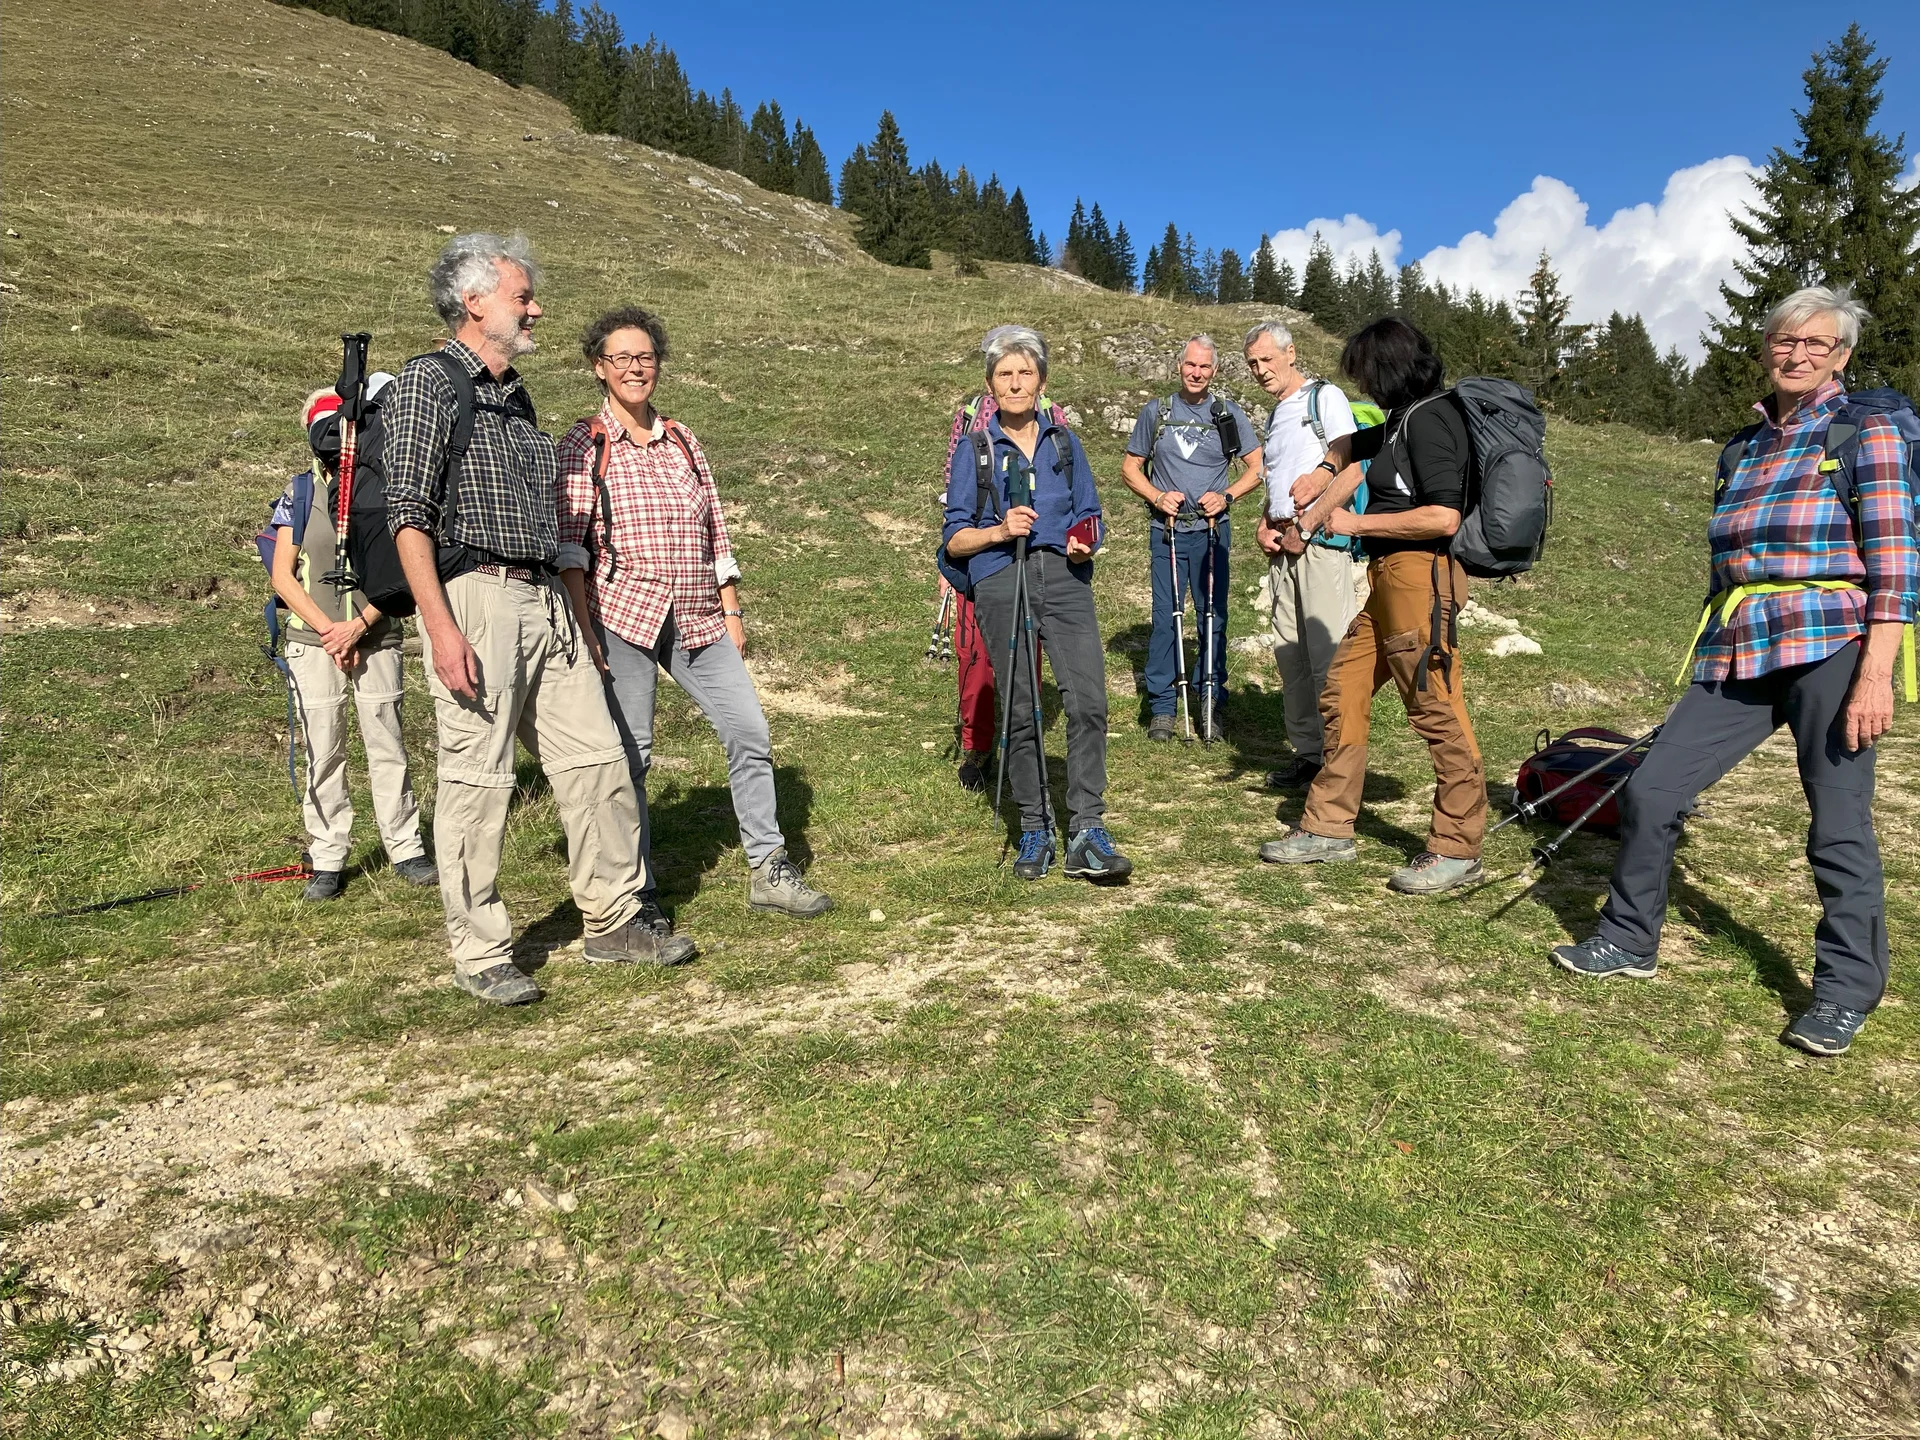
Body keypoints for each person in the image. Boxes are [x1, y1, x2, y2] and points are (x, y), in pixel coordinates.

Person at [1552, 286, 1915, 1058]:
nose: (1798, 355)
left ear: (1842, 357)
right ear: (1767, 349)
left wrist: (1877, 672)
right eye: (1786, 341)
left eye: (1817, 345)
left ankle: (1845, 992)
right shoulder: (1743, 447)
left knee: (1837, 823)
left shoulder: (1864, 434)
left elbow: (1896, 562)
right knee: (1652, 786)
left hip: (1832, 641)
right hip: (1740, 643)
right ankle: (1628, 939)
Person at [385, 232, 695, 1006]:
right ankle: (481, 950)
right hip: (475, 598)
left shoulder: (514, 394)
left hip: (546, 599)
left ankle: (614, 920)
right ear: (474, 300)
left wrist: (575, 616)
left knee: (598, 758)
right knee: (476, 779)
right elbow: (408, 515)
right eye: (524, 297)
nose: (537, 309)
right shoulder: (427, 383)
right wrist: (441, 625)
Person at [556, 305, 833, 924]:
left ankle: (768, 869)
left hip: (700, 616)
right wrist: (585, 629)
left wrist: (731, 607)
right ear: (599, 368)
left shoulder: (683, 440)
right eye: (620, 358)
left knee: (750, 733)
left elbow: (714, 528)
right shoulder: (586, 442)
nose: (635, 368)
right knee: (633, 754)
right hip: (620, 616)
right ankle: (634, 891)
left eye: (645, 357)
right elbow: (571, 546)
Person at [1259, 317, 1487, 894]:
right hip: (1385, 579)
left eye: (1365, 374)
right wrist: (1321, 478)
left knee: (1434, 705)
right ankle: (1330, 827)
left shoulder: (1435, 420)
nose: (1361, 386)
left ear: (1387, 368)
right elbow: (1351, 453)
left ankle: (1458, 846)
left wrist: (1356, 521)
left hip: (1421, 576)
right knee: (1343, 687)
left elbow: (1443, 516)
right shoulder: (1396, 421)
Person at [943, 325, 1128, 881]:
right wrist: (999, 531)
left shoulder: (1065, 443)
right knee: (1021, 708)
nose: (1016, 383)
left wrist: (1084, 539)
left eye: (1026, 373)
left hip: (1066, 579)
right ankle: (1033, 827)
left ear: (1042, 382)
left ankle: (1088, 827)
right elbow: (954, 538)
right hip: (1002, 580)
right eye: (1005, 374)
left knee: (1088, 702)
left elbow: (1091, 515)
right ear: (990, 385)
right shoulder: (974, 451)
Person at [267, 383, 436, 902]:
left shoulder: (386, 484)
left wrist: (358, 625)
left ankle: (405, 847)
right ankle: (327, 856)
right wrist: (328, 629)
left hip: (376, 635)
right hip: (312, 643)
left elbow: (404, 568)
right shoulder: (299, 493)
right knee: (324, 748)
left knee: (387, 742)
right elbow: (282, 576)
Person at [1243, 320, 1371, 791]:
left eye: (1266, 360)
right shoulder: (1278, 414)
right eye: (1252, 363)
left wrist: (1307, 525)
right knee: (1290, 658)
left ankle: (1338, 764)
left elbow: (1351, 467)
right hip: (1283, 552)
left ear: (1291, 353)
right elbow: (1278, 480)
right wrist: (1264, 522)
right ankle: (1309, 757)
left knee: (1327, 658)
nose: (1260, 370)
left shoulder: (1326, 397)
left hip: (1320, 546)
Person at [1119, 336, 1264, 741]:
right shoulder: (1158, 412)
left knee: (1212, 616)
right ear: (1179, 366)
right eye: (1190, 365)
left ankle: (1210, 702)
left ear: (1214, 371)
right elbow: (1130, 468)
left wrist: (1228, 495)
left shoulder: (1227, 414)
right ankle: (1163, 709)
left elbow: (1256, 466)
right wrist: (1156, 495)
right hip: (1165, 531)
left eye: (1205, 367)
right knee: (1166, 617)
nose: (1197, 373)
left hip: (1212, 531)